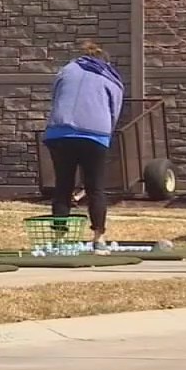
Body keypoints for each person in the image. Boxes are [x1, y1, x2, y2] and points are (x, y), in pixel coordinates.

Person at [43, 41, 124, 254]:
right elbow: (114, 112)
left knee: (63, 186)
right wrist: (107, 133)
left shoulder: (66, 70)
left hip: (59, 133)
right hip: (95, 135)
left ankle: (58, 239)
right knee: (95, 187)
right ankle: (99, 238)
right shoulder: (111, 79)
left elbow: (56, 98)